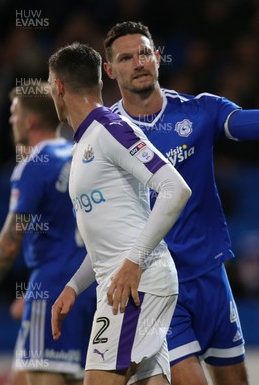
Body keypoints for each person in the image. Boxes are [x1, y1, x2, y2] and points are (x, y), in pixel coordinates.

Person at [102, 21, 259, 385]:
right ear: (110, 69)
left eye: (144, 53)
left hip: (210, 277)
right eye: (126, 57)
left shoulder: (200, 111)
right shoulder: (105, 134)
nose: (138, 62)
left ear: (157, 58)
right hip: (159, 285)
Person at [47, 42, 191, 385]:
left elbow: (176, 189)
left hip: (133, 285)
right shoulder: (85, 142)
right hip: (125, 282)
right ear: (99, 83)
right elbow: (107, 239)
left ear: (59, 87)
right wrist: (73, 286)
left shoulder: (111, 129)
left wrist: (134, 262)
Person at [0, 85, 96, 385]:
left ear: (30, 120)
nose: (10, 121)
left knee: (43, 376)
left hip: (51, 290)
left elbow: (10, 243)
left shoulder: (34, 166)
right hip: (89, 288)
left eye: (14, 113)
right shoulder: (79, 157)